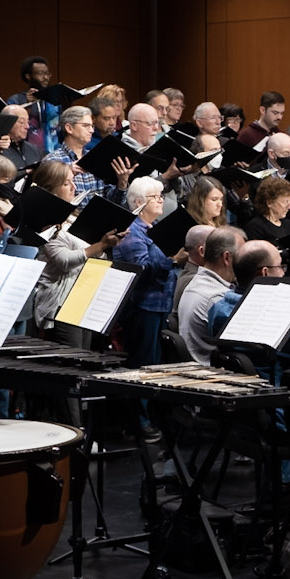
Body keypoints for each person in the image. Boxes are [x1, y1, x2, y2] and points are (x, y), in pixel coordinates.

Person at [25, 159, 125, 338]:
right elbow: (64, 261)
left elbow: (94, 255)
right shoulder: (44, 222)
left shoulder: (74, 218)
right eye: (66, 183)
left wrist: (104, 246)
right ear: (50, 189)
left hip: (82, 298)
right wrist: (101, 245)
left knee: (85, 360)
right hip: (60, 304)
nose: (73, 187)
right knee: (71, 361)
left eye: (73, 181)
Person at [112, 176, 175, 441]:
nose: (161, 199)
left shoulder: (156, 227)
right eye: (155, 196)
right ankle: (137, 421)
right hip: (142, 306)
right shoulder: (131, 233)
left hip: (160, 303)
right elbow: (144, 269)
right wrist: (172, 257)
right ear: (139, 203)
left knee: (157, 363)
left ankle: (152, 415)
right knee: (142, 363)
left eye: (161, 195)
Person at [178, 225, 243, 365]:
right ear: (227, 258)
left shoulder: (198, 283)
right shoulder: (217, 297)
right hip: (210, 373)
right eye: (240, 256)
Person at [48, 104, 131, 204]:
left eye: (92, 126)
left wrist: (122, 183)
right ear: (69, 128)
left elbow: (112, 201)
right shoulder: (52, 160)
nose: (91, 130)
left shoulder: (96, 157)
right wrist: (66, 172)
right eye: (86, 126)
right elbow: (48, 200)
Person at [6, 56, 57, 152]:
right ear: (28, 76)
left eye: (47, 73)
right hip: (27, 152)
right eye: (40, 73)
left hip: (53, 153)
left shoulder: (54, 101)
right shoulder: (16, 100)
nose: (45, 77)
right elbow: (9, 127)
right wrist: (28, 104)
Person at [245, 174, 290, 249]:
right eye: (285, 202)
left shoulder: (289, 225)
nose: (289, 207)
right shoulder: (255, 226)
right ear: (269, 202)